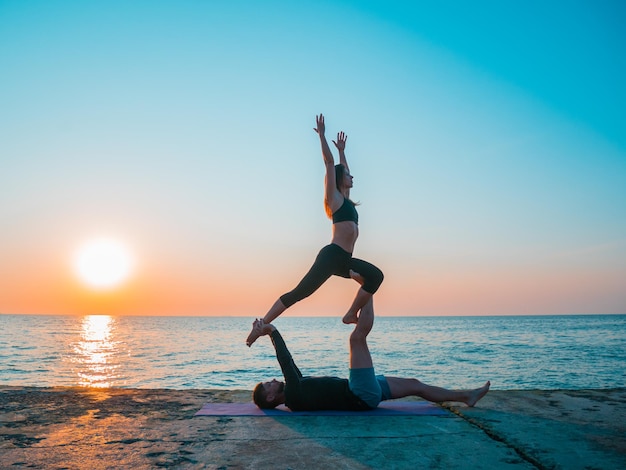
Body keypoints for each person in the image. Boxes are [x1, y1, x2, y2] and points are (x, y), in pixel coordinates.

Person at [246, 114, 383, 347]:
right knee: (300, 292)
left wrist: (342, 151)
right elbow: (330, 166)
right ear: (340, 180)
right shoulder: (335, 199)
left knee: (375, 276)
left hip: (343, 259)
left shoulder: (347, 201)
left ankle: (350, 314)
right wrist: (321, 137)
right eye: (348, 175)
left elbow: (342, 167)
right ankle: (261, 326)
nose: (352, 176)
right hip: (332, 257)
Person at [251, 298, 490, 411]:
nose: (272, 381)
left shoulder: (297, 392)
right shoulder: (293, 396)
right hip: (359, 393)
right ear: (271, 398)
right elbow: (286, 362)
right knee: (356, 338)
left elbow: (292, 369)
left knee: (415, 385)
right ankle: (368, 289)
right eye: (267, 385)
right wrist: (271, 330)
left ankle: (466, 396)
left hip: (363, 391)